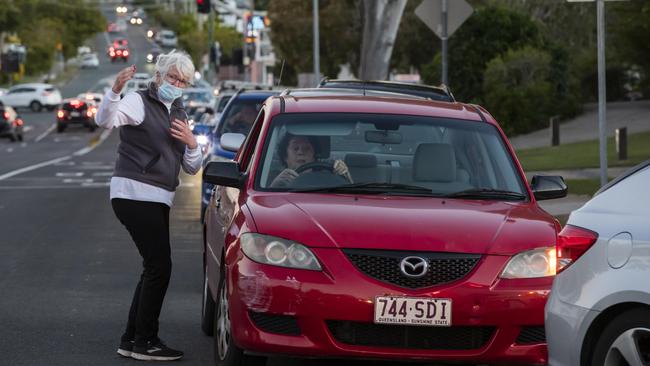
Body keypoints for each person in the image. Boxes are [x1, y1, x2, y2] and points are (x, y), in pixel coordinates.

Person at [95, 50, 201, 361]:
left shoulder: (179, 113)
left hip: (159, 198)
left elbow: (192, 167)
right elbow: (106, 120)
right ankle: (146, 341)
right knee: (160, 267)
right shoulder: (139, 101)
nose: (177, 84)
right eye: (172, 77)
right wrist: (115, 91)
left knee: (153, 267)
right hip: (133, 193)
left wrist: (192, 144)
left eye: (183, 81)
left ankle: (131, 340)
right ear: (159, 76)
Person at [270, 134, 352, 187]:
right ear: (285, 156)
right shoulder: (269, 179)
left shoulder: (328, 177)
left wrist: (345, 176)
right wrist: (274, 186)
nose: (300, 152)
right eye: (295, 148)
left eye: (306, 148)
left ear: (314, 155)